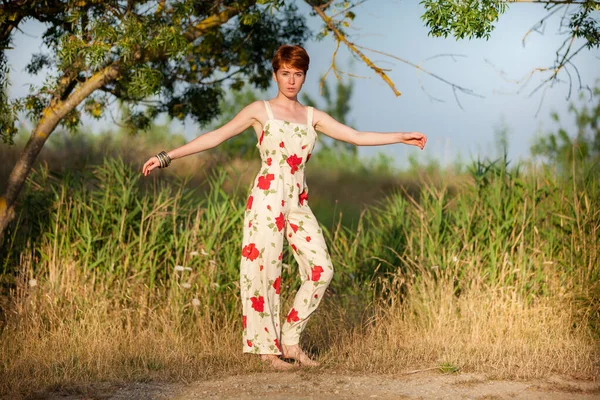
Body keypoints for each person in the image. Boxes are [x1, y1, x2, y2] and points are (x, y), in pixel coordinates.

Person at [142, 44, 427, 370]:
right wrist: (167, 157)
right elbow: (215, 137)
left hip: (297, 201)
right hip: (266, 198)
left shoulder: (311, 116)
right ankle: (267, 351)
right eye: (285, 74)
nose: (291, 81)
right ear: (276, 74)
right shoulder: (259, 111)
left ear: (304, 76)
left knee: (322, 270)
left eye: (298, 74)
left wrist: (400, 136)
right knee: (262, 271)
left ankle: (290, 340)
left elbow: (355, 136)